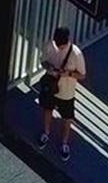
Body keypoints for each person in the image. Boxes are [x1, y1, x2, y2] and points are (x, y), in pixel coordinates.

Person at [36, 25, 88, 160]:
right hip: (51, 87)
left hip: (66, 92)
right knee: (47, 109)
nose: (59, 48)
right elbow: (43, 61)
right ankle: (46, 133)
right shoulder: (50, 45)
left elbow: (82, 75)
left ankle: (65, 142)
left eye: (62, 46)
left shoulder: (76, 54)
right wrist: (50, 68)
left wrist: (69, 74)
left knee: (67, 117)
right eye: (57, 45)